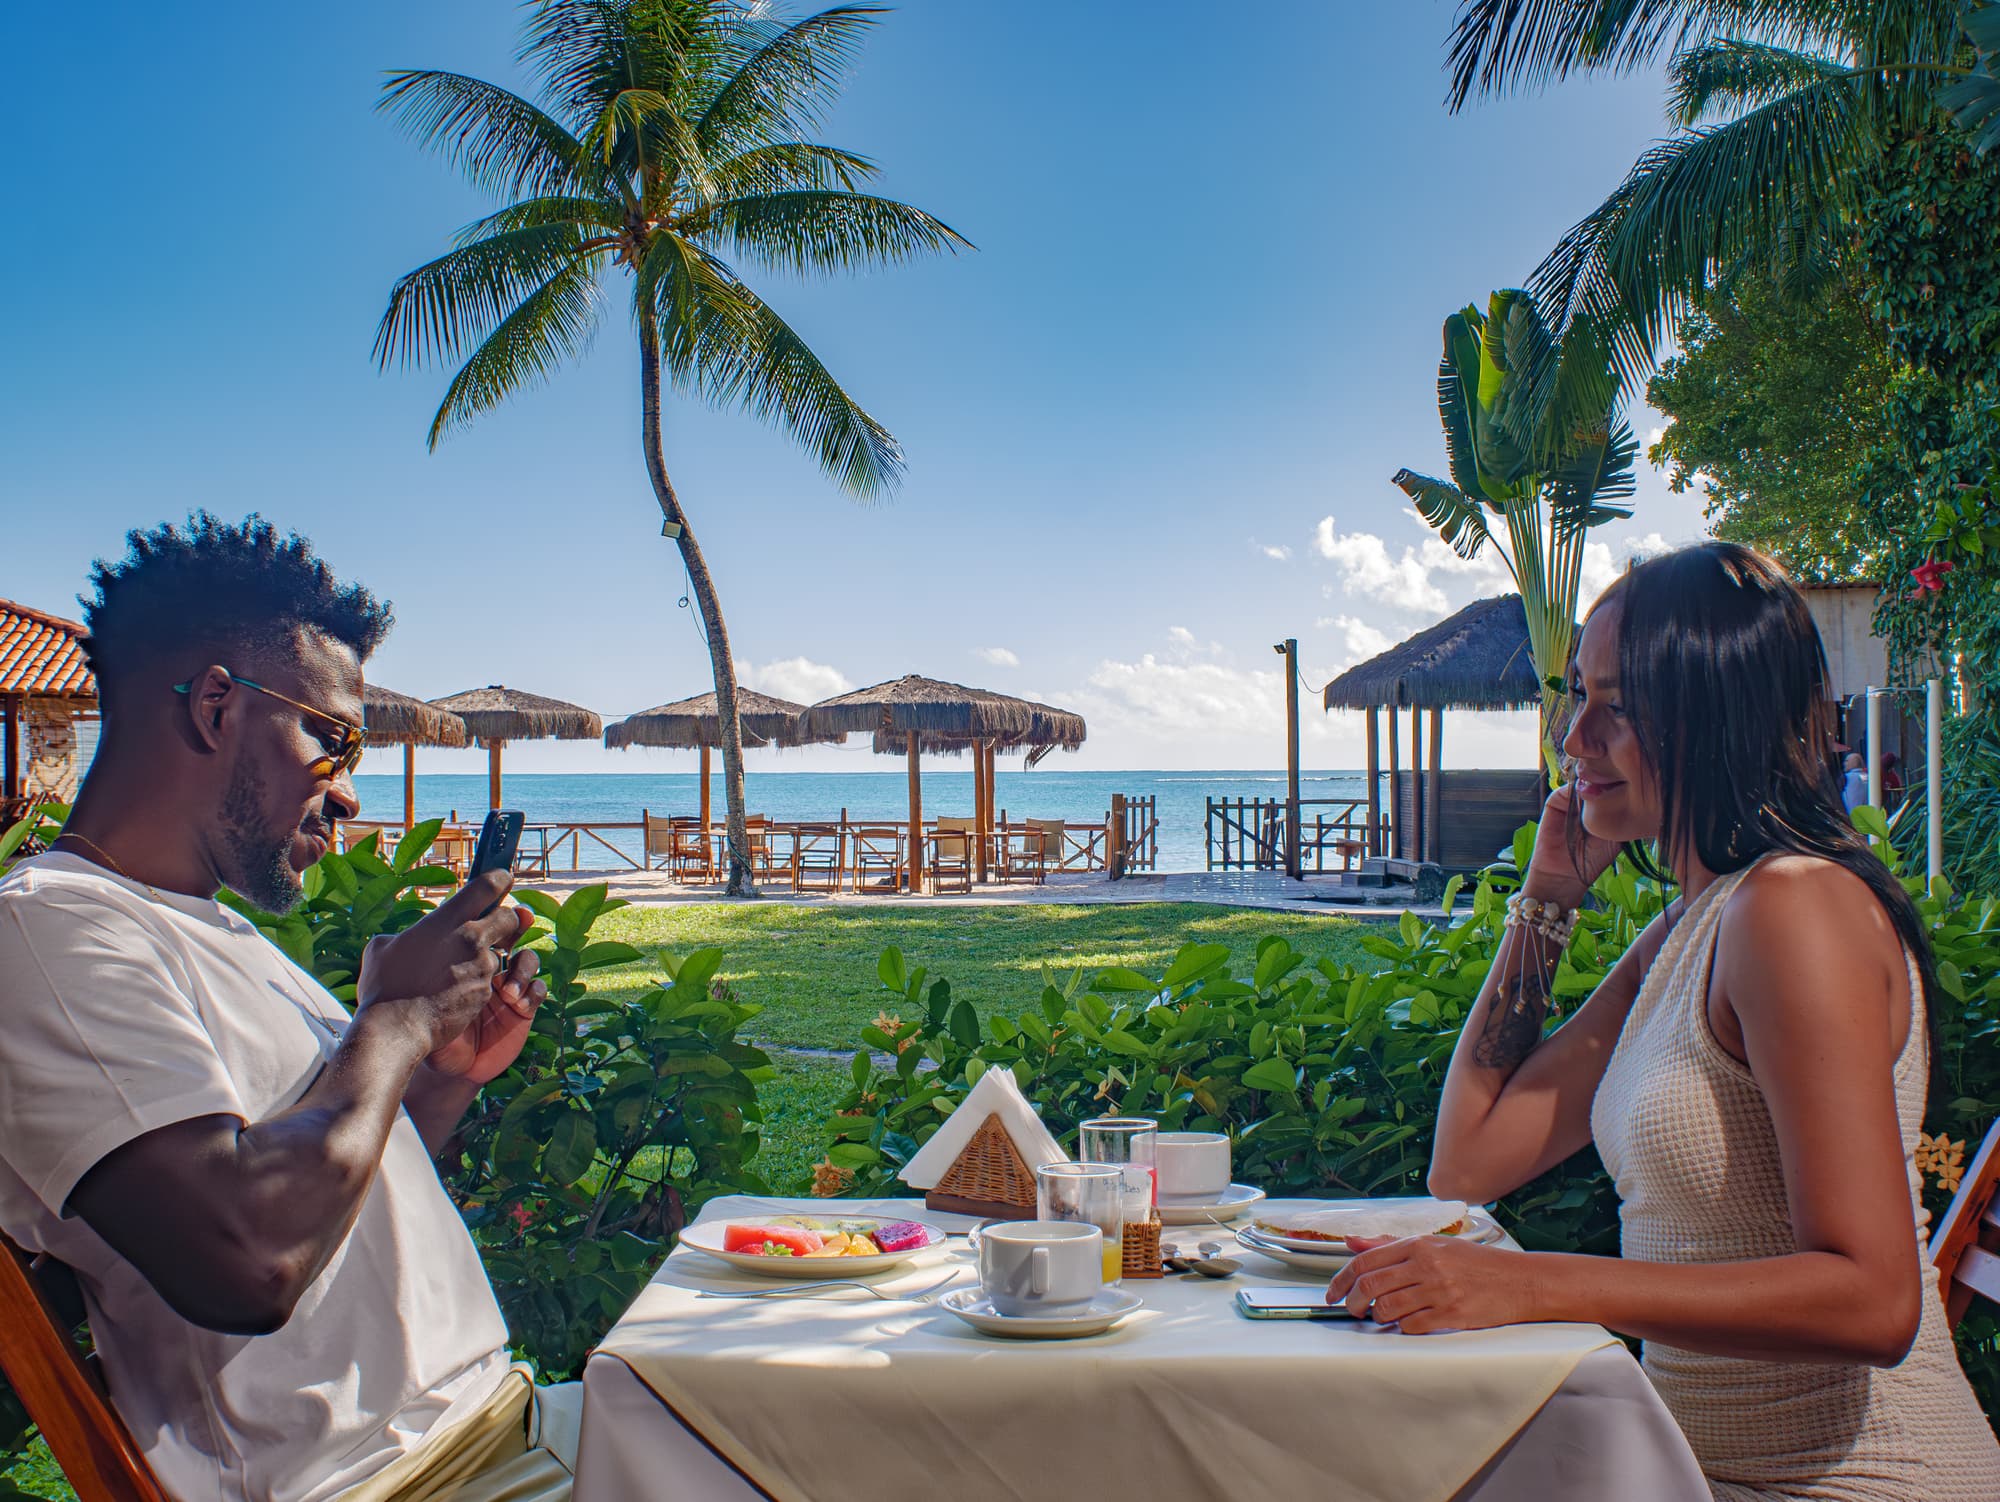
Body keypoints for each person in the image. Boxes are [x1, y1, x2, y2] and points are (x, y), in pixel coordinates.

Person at [1328, 543, 2000, 1501]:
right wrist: (1546, 904)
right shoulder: (1699, 922)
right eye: (1578, 698)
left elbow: (1875, 1298)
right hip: (1688, 1473)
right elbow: (1468, 1163)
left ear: (1711, 715)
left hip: (1854, 1483)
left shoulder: (1792, 910)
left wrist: (1533, 1286)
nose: (1577, 738)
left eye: (1619, 704)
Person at [0, 516, 574, 1502]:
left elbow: (333, 1205)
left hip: (496, 1423)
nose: (346, 792)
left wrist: (433, 1079)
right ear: (218, 706)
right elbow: (246, 1260)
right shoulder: (45, 935)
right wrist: (390, 1020)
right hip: (391, 1481)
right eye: (332, 738)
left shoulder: (201, 930)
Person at [1840, 751, 1869, 815]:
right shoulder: (1867, 776)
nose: (1844, 763)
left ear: (1853, 763)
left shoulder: (1846, 777)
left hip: (1851, 816)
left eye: (1847, 761)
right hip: (1867, 814)